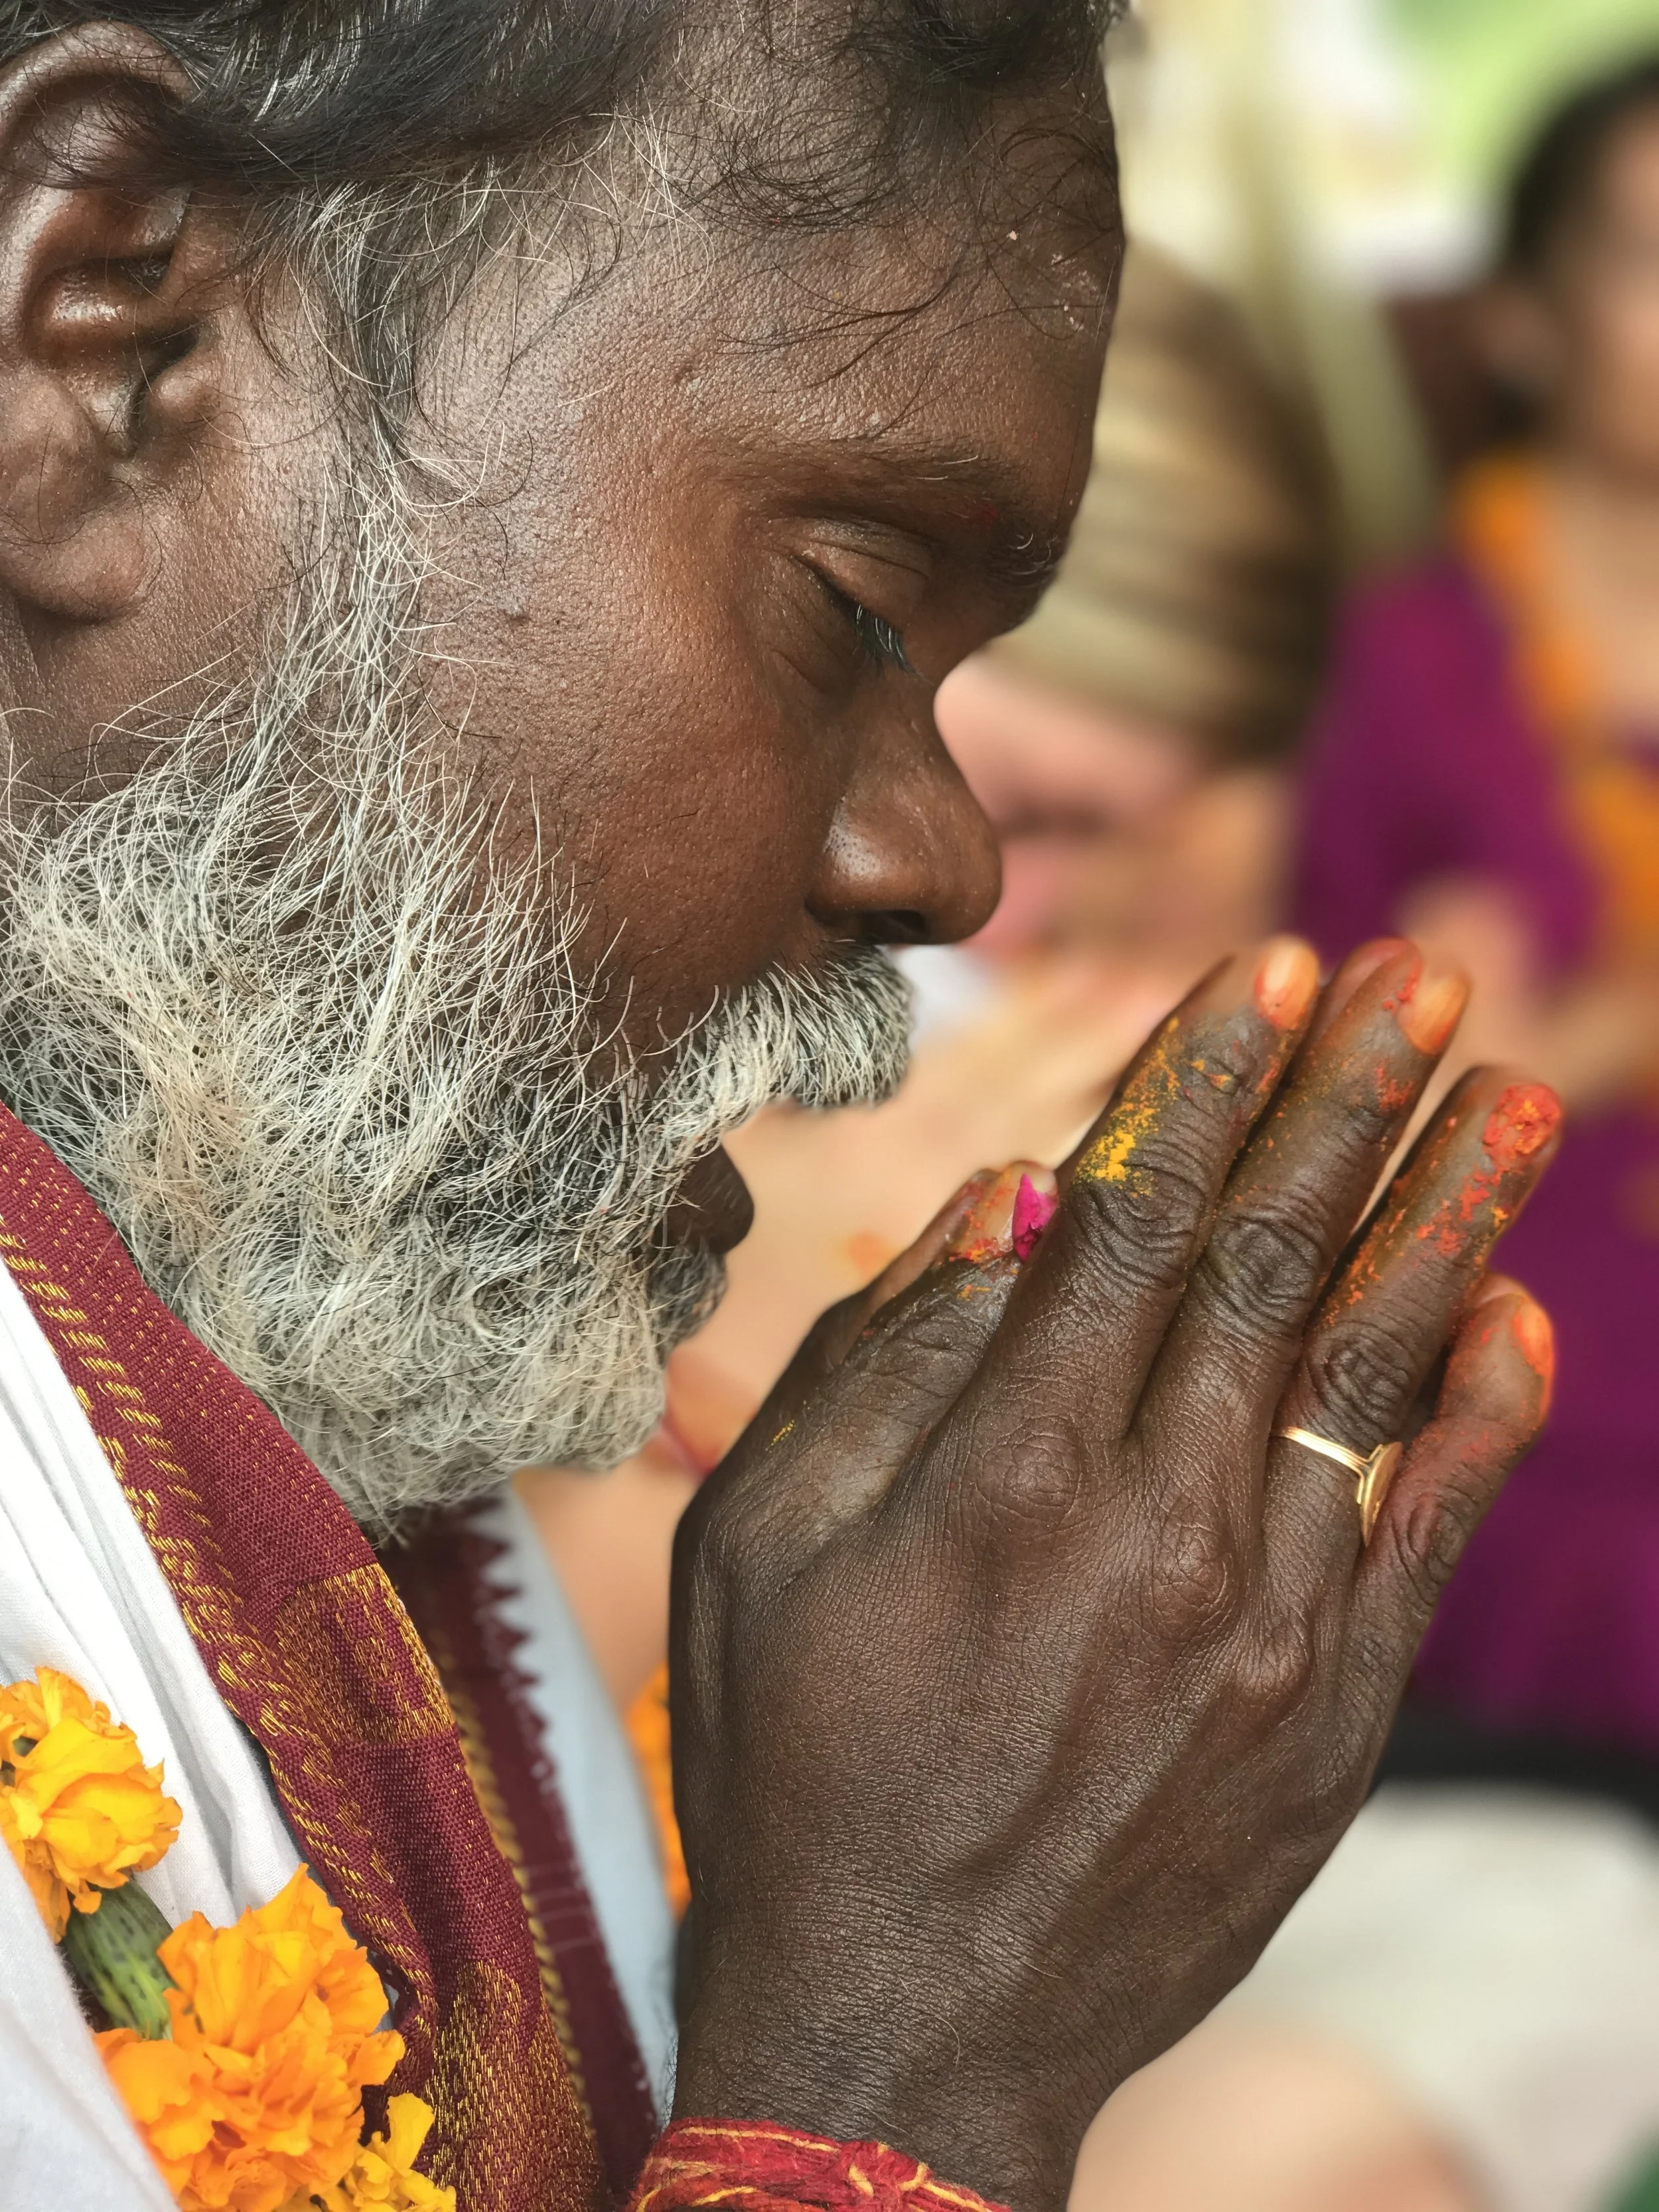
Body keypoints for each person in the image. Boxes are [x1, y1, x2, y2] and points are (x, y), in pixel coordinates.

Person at [0, 11, 1557, 2212]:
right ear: (112, 338)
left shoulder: (271, 1409)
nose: (943, 869)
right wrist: (884, 2075)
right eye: (852, 604)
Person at [1297, 55, 1659, 1767]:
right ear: (1519, 321)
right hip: (1524, 1488)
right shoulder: (1408, 670)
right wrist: (1590, 1037)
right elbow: (1324, 1118)